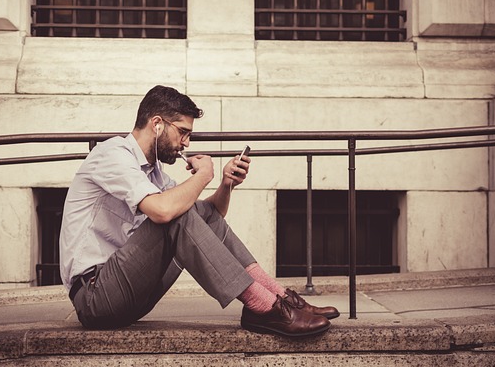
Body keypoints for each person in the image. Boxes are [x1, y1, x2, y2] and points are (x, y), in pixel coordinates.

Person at [59, 85, 339, 337]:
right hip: (96, 296)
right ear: (157, 124)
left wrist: (226, 184)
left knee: (189, 210)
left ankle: (280, 299)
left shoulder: (154, 172)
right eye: (183, 132)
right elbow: (163, 212)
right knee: (172, 213)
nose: (186, 143)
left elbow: (207, 216)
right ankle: (262, 307)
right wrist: (202, 176)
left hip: (132, 294)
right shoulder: (112, 155)